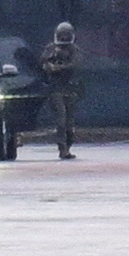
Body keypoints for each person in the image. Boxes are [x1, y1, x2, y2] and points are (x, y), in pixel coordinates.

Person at [41, 21, 82, 160]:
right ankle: (62, 148)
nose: (64, 38)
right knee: (61, 120)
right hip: (55, 89)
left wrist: (59, 67)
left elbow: (75, 65)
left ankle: (68, 146)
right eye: (61, 35)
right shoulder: (50, 49)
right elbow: (43, 63)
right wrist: (49, 66)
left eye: (66, 35)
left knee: (69, 124)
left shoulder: (74, 50)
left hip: (70, 89)